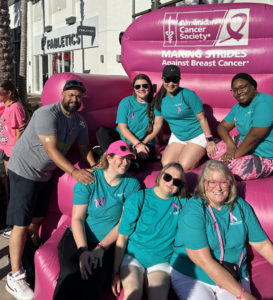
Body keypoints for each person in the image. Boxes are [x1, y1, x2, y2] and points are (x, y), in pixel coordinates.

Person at [5, 79, 97, 300]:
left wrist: (96, 170)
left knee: (36, 221)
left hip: (44, 174)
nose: (74, 99)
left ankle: (29, 260)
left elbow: (85, 151)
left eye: (78, 96)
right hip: (24, 170)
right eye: (71, 94)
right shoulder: (47, 114)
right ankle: (14, 276)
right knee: (21, 224)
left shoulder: (80, 123)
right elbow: (52, 150)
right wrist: (75, 173)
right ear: (63, 95)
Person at [170, 160, 273, 300]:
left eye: (223, 182)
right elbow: (203, 261)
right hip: (194, 274)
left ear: (230, 183)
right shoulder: (194, 210)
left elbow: (261, 244)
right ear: (203, 184)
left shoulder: (240, 206)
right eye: (212, 182)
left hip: (233, 274)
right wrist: (244, 295)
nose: (218, 188)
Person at [53, 140, 141, 300]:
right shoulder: (90, 179)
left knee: (93, 280)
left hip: (106, 244)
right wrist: (83, 251)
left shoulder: (131, 185)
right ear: (109, 157)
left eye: (129, 159)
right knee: (69, 273)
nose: (126, 162)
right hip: (79, 238)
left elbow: (123, 223)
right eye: (121, 158)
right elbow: (78, 218)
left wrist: (101, 248)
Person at [111, 162, 189, 300]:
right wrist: (115, 273)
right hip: (134, 257)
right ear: (160, 175)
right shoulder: (139, 198)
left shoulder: (183, 203)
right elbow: (122, 238)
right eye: (167, 177)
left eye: (176, 181)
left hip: (161, 261)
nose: (170, 183)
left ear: (180, 186)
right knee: (133, 293)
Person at [208, 73, 273, 180]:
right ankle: (240, 155)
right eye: (234, 90)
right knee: (212, 151)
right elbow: (222, 126)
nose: (238, 92)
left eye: (242, 87)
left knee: (225, 170)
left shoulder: (264, 103)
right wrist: (230, 144)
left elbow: (255, 136)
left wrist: (234, 155)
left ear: (253, 86)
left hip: (270, 156)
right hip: (248, 146)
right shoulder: (239, 107)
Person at [153, 65, 216, 171]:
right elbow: (158, 124)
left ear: (179, 80)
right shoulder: (159, 99)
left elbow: (202, 119)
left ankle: (199, 151)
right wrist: (157, 140)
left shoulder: (188, 94)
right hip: (178, 136)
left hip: (197, 135)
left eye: (175, 80)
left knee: (184, 165)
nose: (171, 83)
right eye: (168, 79)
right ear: (162, 79)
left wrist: (209, 140)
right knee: (166, 164)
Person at [95, 74, 164, 170]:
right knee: (101, 131)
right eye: (137, 86)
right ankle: (110, 154)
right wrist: (137, 143)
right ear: (134, 89)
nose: (141, 88)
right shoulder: (126, 102)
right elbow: (123, 128)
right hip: (122, 141)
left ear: (150, 87)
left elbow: (157, 125)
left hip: (145, 143)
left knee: (139, 158)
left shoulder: (156, 104)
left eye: (145, 85)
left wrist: (142, 143)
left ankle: (107, 154)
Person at [0, 81, 29, 239]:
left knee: (14, 188)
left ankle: (14, 224)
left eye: (0, 93)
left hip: (13, 151)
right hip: (6, 150)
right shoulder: (7, 105)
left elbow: (19, 132)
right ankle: (10, 220)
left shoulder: (16, 108)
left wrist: (16, 154)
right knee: (8, 186)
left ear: (10, 92)